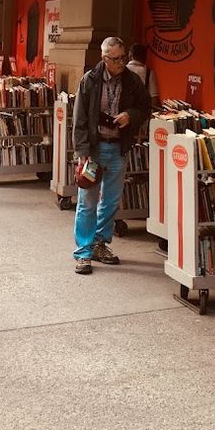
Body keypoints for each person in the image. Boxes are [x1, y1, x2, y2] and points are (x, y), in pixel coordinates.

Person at [72, 36, 151, 275]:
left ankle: (100, 244)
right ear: (104, 58)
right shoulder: (89, 80)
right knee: (87, 201)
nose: (121, 62)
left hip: (118, 148)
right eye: (116, 59)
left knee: (111, 201)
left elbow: (145, 107)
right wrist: (82, 151)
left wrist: (130, 116)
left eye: (123, 57)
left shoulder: (132, 80)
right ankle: (83, 253)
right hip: (94, 150)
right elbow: (79, 118)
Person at [126, 42, 161, 108]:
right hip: (141, 111)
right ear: (145, 57)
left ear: (130, 56)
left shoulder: (122, 71)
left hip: (123, 111)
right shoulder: (149, 73)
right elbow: (154, 99)